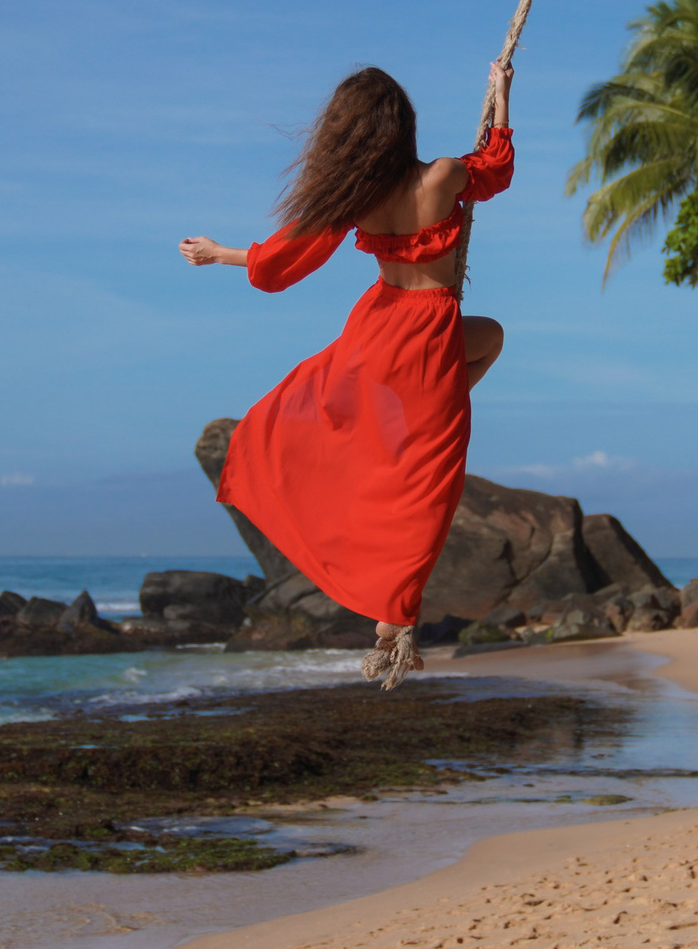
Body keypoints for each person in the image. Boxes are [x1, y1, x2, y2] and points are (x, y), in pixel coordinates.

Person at [178, 59, 514, 687]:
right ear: (403, 126)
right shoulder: (442, 176)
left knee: (482, 349)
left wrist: (219, 252)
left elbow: (280, 262)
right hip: (427, 335)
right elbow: (495, 168)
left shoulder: (358, 195)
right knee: (426, 485)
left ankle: (415, 432)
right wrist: (502, 98)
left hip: (376, 336)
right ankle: (394, 619)